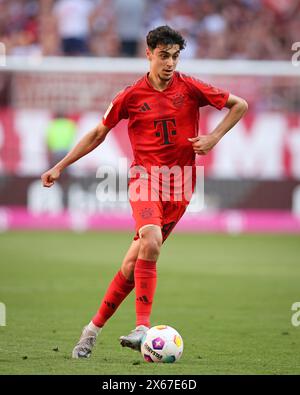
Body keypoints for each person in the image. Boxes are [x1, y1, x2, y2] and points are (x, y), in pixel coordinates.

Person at [41, 25, 248, 359]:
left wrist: (214, 137)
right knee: (150, 240)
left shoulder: (190, 87)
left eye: (175, 57)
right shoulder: (131, 95)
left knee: (131, 265)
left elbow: (240, 105)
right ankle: (142, 327)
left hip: (180, 187)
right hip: (145, 180)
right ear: (149, 54)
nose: (170, 63)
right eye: (164, 56)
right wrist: (60, 165)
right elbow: (98, 133)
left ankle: (91, 330)